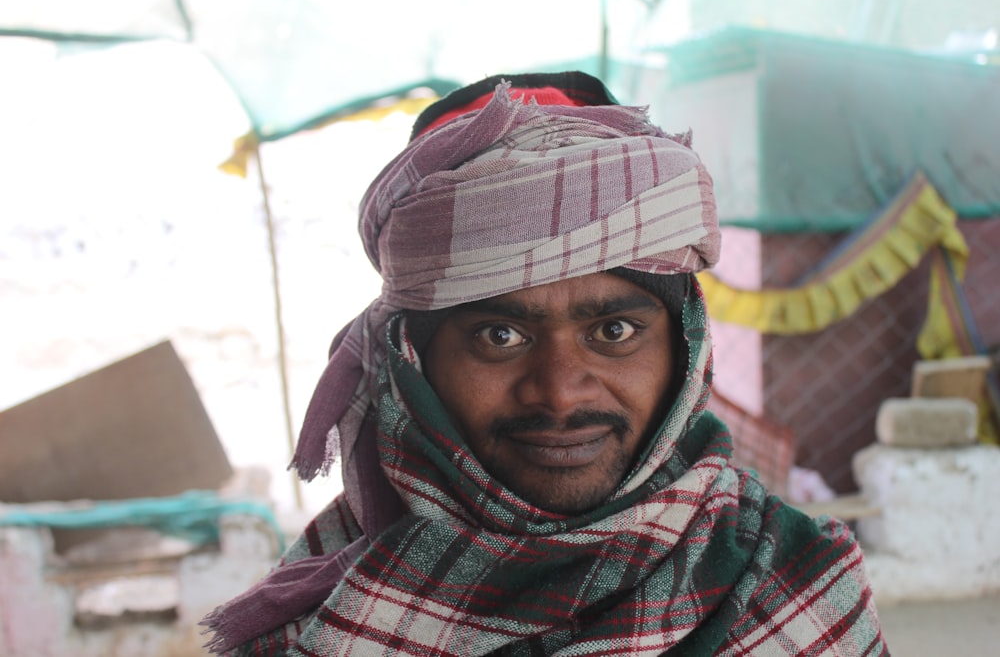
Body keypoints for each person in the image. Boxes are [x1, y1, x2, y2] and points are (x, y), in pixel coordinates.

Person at [203, 71, 887, 656]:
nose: (559, 393)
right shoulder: (321, 612)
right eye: (499, 335)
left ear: (686, 347)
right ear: (412, 361)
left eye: (614, 329)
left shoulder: (795, 588)